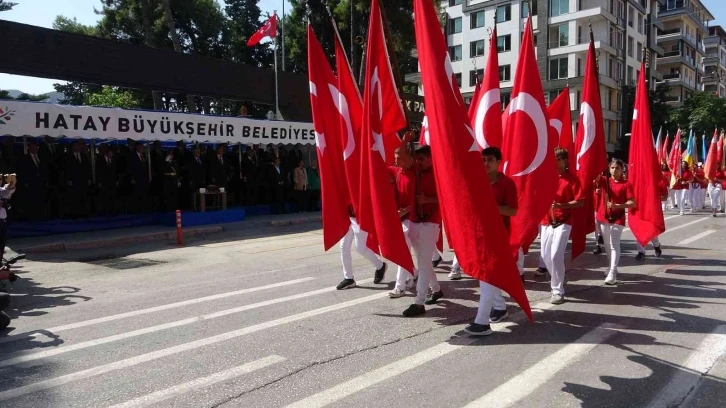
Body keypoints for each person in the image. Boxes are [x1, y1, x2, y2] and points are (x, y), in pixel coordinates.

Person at [465, 147, 519, 336]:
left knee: (486, 277)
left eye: (490, 160)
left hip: (498, 237)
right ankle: (500, 307)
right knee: (484, 277)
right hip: (479, 236)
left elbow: (513, 211)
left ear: (499, 162)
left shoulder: (507, 184)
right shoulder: (478, 183)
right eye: (483, 160)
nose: (486, 163)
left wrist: (491, 207)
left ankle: (482, 322)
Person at [403, 145, 443, 317]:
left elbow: (445, 198)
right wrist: (405, 143)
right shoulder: (415, 172)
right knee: (423, 261)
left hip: (430, 223)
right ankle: (436, 290)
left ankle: (419, 302)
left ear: (430, 159)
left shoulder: (439, 175)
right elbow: (403, 159)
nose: (418, 162)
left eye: (421, 159)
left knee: (423, 264)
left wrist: (427, 199)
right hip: (415, 222)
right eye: (417, 159)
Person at [541, 148, 583, 305]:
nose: (554, 162)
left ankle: (557, 290)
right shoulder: (546, 177)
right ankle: (561, 275)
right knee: (545, 257)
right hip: (546, 221)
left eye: (557, 159)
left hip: (564, 221)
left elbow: (580, 201)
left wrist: (561, 204)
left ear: (565, 161)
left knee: (555, 255)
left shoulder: (572, 180)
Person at [595, 159, 636, 285]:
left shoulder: (626, 184)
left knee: (614, 243)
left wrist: (617, 205)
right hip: (603, 216)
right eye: (612, 168)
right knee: (607, 244)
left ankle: (613, 271)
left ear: (622, 169)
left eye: (617, 168)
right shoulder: (604, 180)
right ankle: (611, 265)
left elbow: (632, 202)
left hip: (618, 217)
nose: (614, 170)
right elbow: (594, 176)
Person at [389, 146, 418, 298]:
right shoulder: (397, 171)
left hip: (416, 220)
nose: (395, 161)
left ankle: (400, 286)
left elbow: (420, 200)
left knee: (403, 251)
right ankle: (414, 273)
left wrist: (406, 211)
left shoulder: (416, 175)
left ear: (409, 158)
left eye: (399, 158)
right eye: (395, 157)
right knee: (403, 251)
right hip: (403, 220)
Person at [635, 175, 666, 260]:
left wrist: (653, 198)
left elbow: (664, 197)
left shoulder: (659, 178)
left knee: (651, 230)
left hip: (652, 209)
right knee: (639, 230)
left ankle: (656, 246)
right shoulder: (637, 177)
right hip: (639, 209)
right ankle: (641, 251)